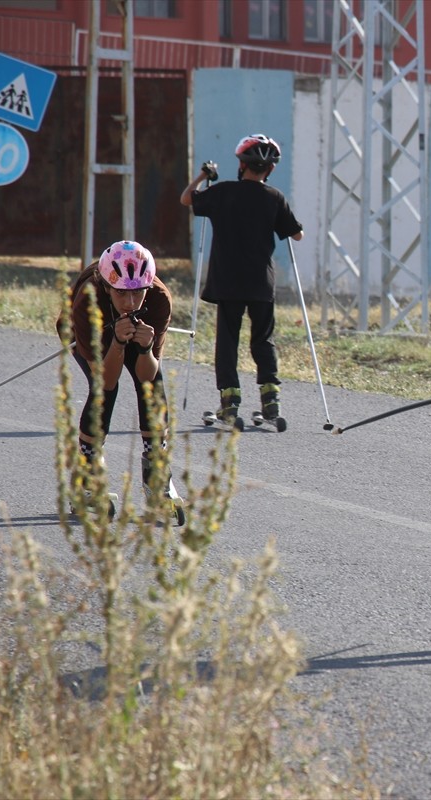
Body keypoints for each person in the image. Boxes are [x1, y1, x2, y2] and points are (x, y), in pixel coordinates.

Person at [179, 133, 304, 429]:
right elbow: (297, 234)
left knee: (228, 342)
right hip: (261, 283)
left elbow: (186, 199)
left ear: (241, 165)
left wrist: (204, 175)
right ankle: (271, 402)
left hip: (228, 281)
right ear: (270, 169)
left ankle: (230, 402)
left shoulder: (222, 192)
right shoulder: (275, 197)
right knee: (263, 340)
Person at [63, 240, 184, 524]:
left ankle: (156, 473)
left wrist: (145, 349)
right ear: (107, 287)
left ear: (148, 286)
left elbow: (147, 375)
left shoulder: (159, 299)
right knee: (105, 392)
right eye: (121, 293)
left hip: (136, 334)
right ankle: (87, 475)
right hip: (90, 330)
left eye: (138, 292)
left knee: (153, 385)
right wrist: (117, 343)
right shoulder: (89, 299)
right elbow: (106, 380)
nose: (130, 302)